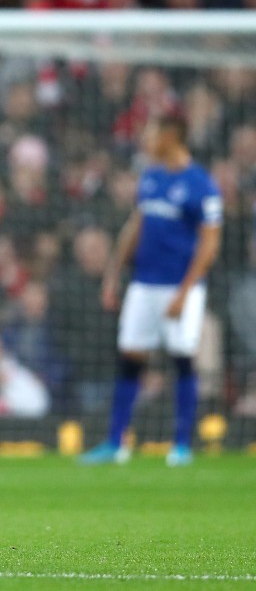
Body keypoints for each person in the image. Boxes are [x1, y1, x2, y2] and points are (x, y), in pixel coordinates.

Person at [81, 114, 222, 467]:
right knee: (131, 357)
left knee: (181, 358)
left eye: (152, 132)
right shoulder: (151, 177)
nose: (146, 139)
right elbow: (136, 225)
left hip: (179, 286)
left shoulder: (201, 184)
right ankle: (116, 442)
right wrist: (114, 273)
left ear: (172, 136)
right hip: (144, 284)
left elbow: (209, 244)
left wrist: (185, 292)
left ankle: (181, 445)